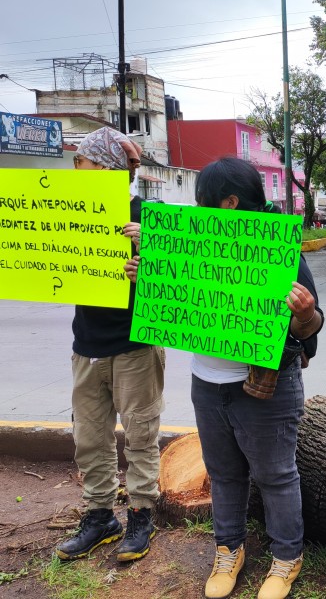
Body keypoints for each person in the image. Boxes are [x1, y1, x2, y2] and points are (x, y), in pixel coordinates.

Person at [126, 157, 323, 599]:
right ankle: (228, 549)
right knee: (223, 472)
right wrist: (150, 274)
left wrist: (306, 314)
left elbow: (310, 333)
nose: (197, 211)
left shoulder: (276, 249)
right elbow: (182, 300)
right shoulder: (195, 244)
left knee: (275, 474)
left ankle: (287, 558)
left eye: (204, 202)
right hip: (207, 383)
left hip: (265, 390)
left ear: (229, 203)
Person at [56, 127, 166, 563]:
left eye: (80, 161)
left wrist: (151, 256)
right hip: (86, 345)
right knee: (90, 437)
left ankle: (141, 515)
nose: (76, 169)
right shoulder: (71, 213)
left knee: (140, 435)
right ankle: (100, 517)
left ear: (102, 167)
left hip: (135, 346)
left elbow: (185, 285)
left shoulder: (149, 217)